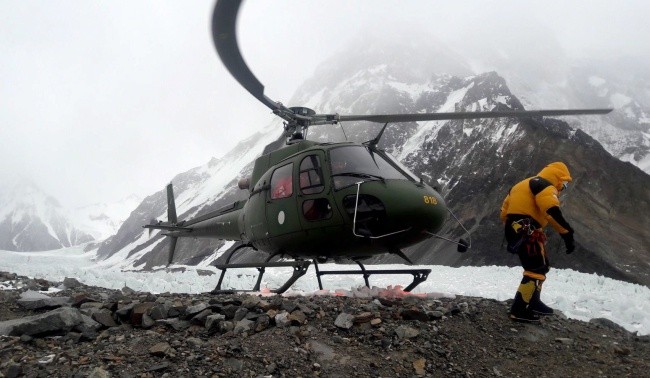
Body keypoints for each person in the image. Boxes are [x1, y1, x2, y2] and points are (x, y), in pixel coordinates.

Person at [500, 161, 575, 322]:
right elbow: (551, 211)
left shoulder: (521, 184)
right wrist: (567, 233)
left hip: (516, 228)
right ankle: (519, 309)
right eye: (564, 184)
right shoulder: (545, 185)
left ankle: (533, 301)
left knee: (541, 265)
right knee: (536, 268)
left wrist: (514, 228)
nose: (563, 188)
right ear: (559, 178)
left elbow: (503, 211)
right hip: (528, 229)